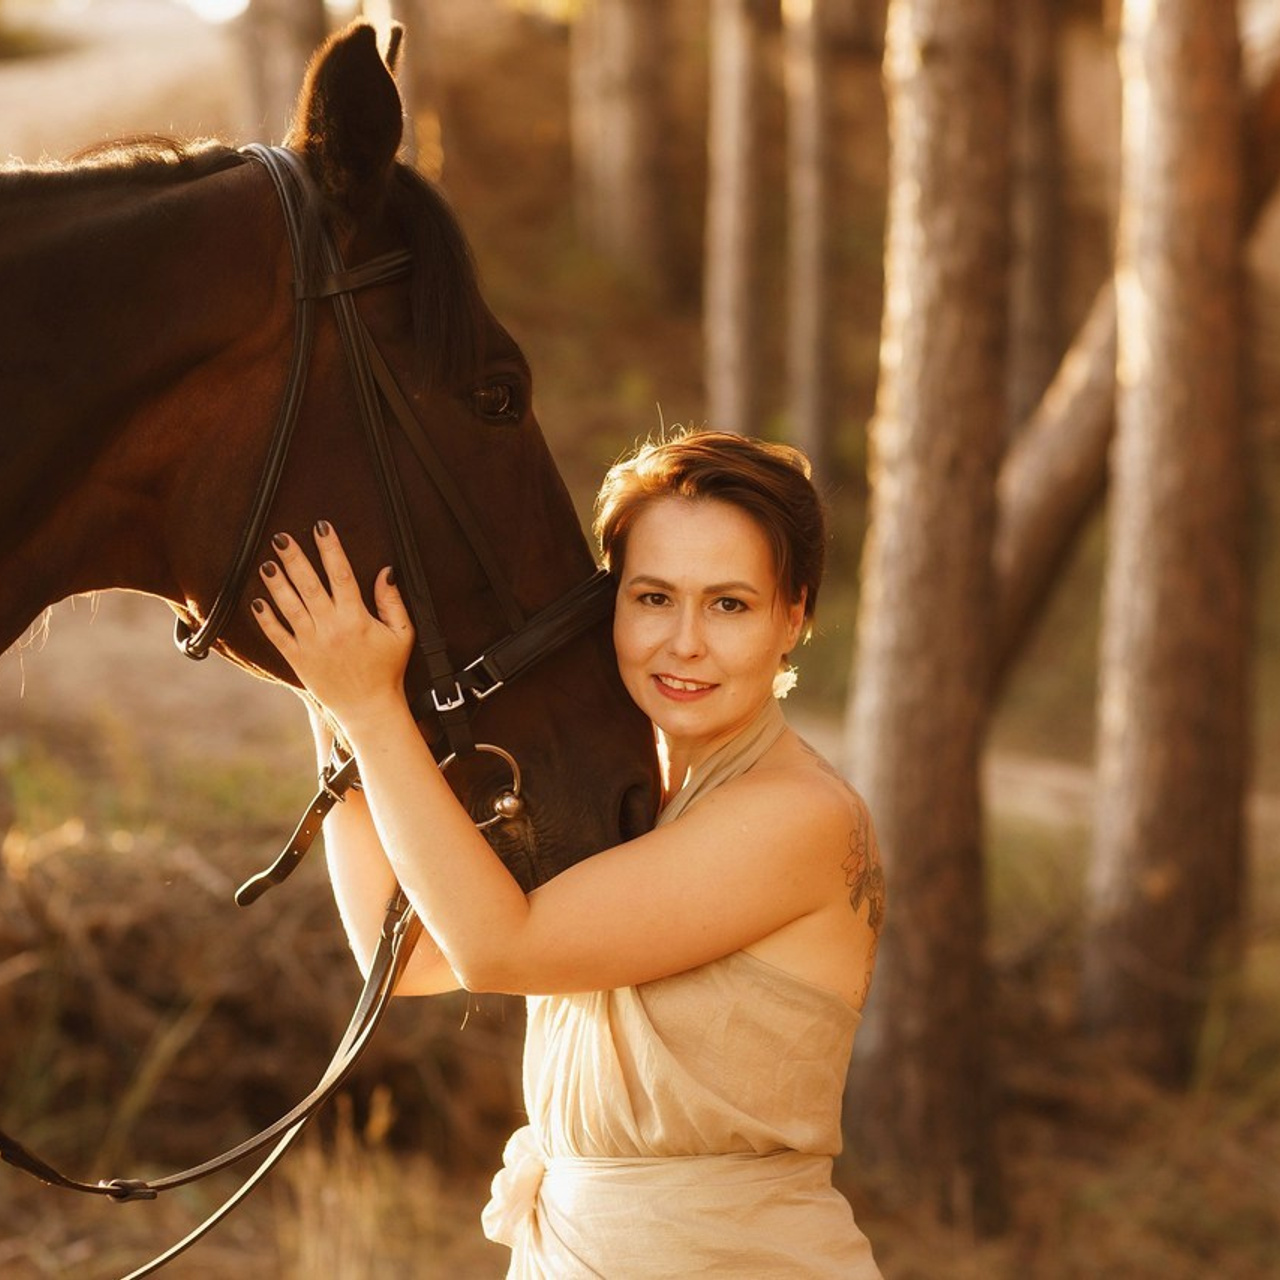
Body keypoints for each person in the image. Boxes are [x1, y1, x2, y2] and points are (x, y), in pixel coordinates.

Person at [250, 429, 885, 1278]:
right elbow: (404, 957)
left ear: (794, 615)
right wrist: (331, 698)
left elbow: (496, 947)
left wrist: (374, 713)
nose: (684, 642)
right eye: (653, 597)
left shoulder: (798, 816)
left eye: (729, 604)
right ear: (608, 605)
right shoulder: (625, 804)